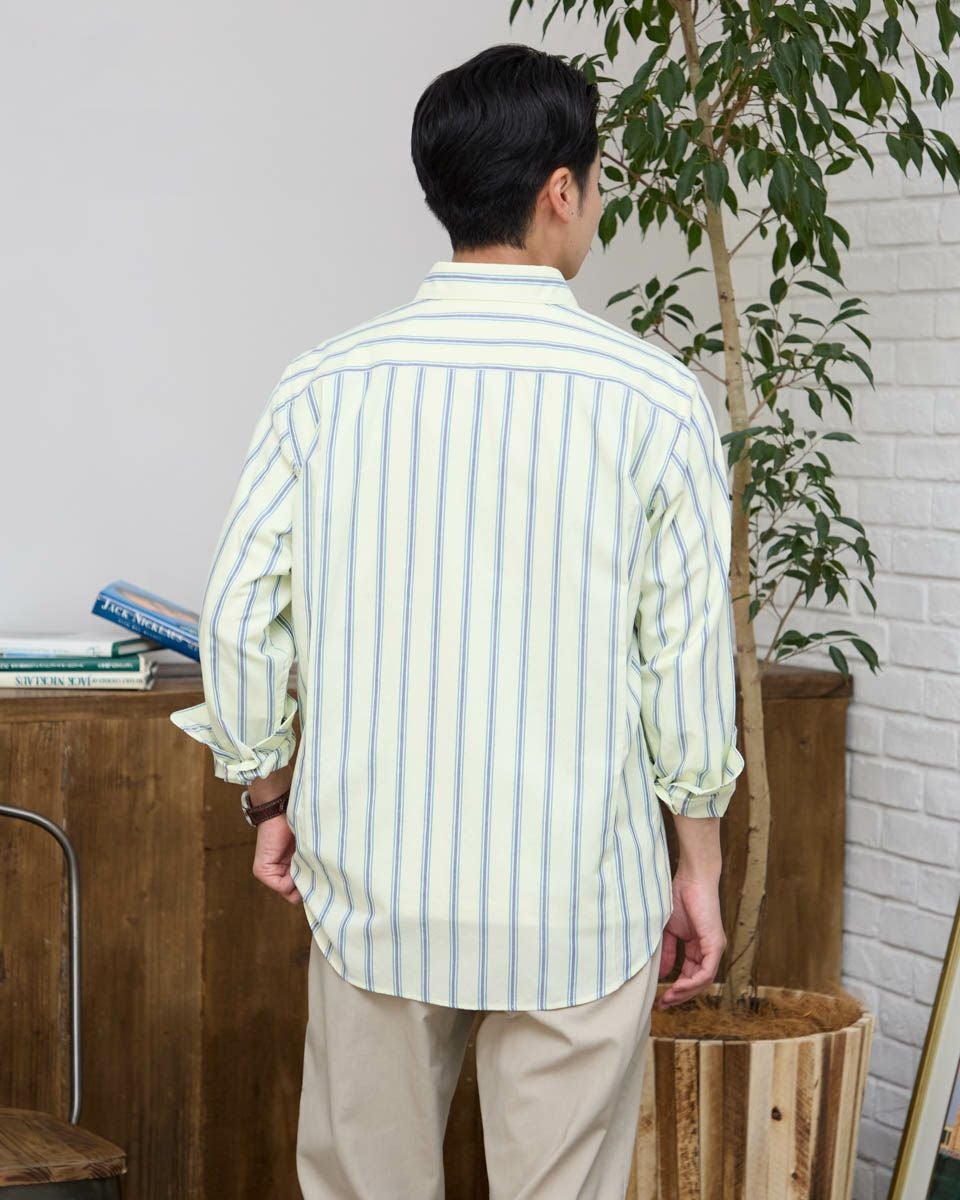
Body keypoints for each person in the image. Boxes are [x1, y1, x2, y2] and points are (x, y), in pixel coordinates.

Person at [170, 41, 745, 1200]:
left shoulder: (325, 385)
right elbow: (683, 663)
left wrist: (269, 798)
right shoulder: (655, 400)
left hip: (374, 885)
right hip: (581, 896)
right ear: (560, 191)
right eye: (596, 181)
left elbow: (236, 618)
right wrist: (699, 863)